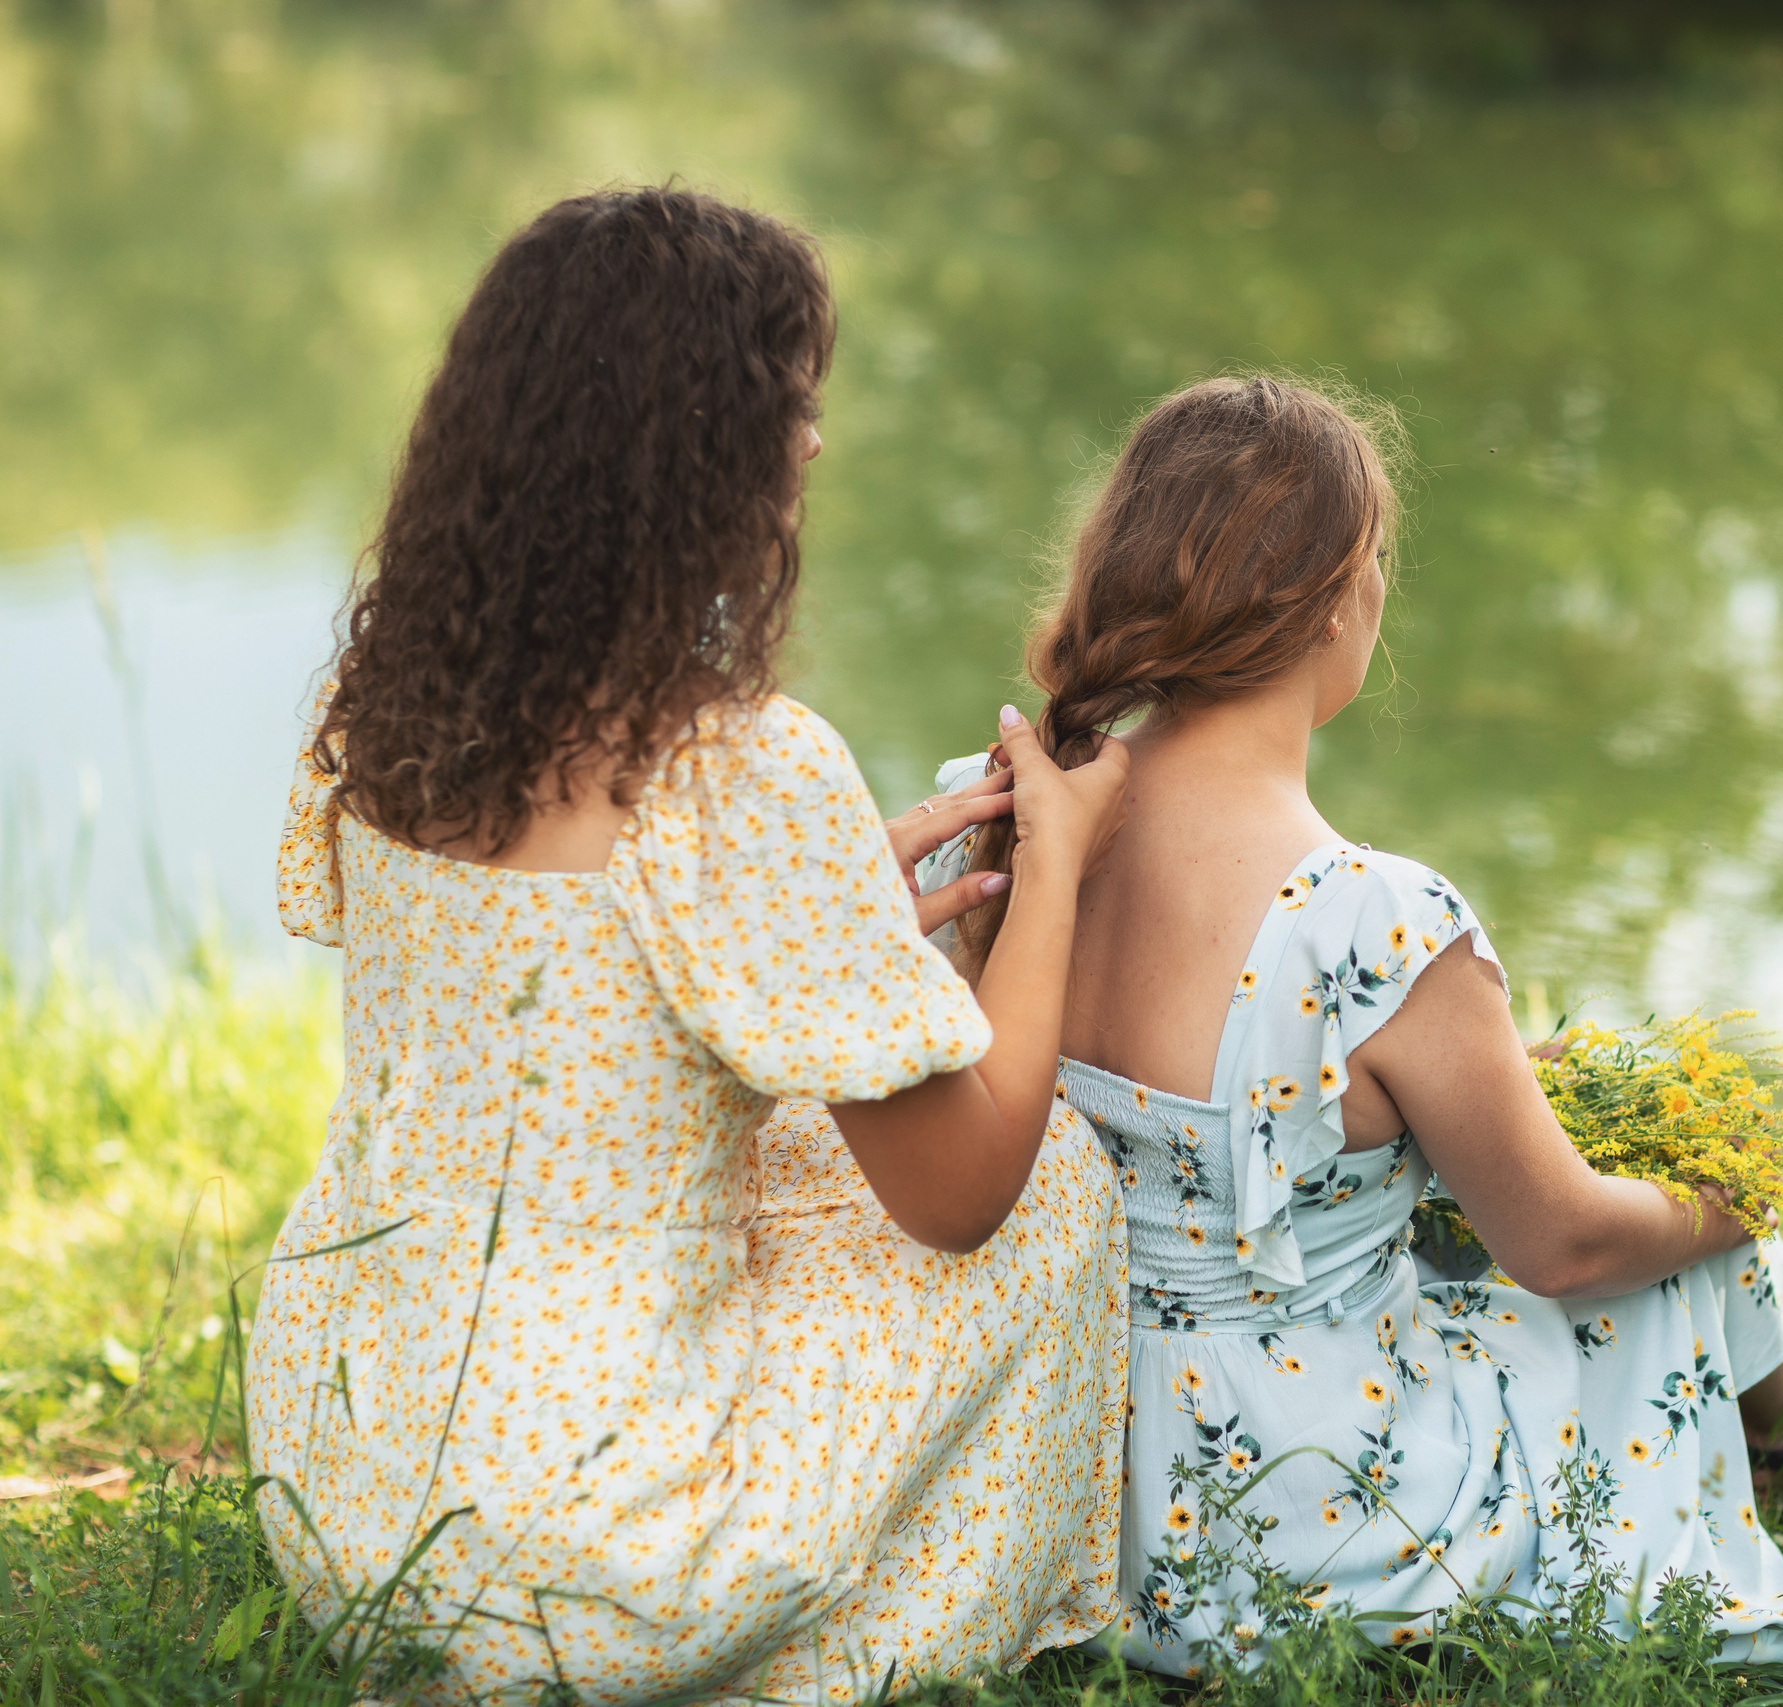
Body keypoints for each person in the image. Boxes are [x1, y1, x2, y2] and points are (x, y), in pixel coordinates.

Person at [245, 187, 1131, 1703]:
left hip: (350, 1485)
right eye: (790, 401)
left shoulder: (390, 709)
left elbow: (578, 1010)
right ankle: (873, 1634)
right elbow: (963, 1197)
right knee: (1059, 1181)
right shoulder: (737, 771)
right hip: (593, 1548)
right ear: (689, 446)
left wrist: (836, 912)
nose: (813, 442)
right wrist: (1058, 866)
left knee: (789, 1137)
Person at [921, 374, 1783, 1675]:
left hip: (1080, 1488)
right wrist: (1732, 1198)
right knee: (1667, 1241)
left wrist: (1498, 1075)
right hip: (1300, 1512)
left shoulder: (1001, 813)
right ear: (1344, 600)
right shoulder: (1375, 923)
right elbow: (1559, 1243)